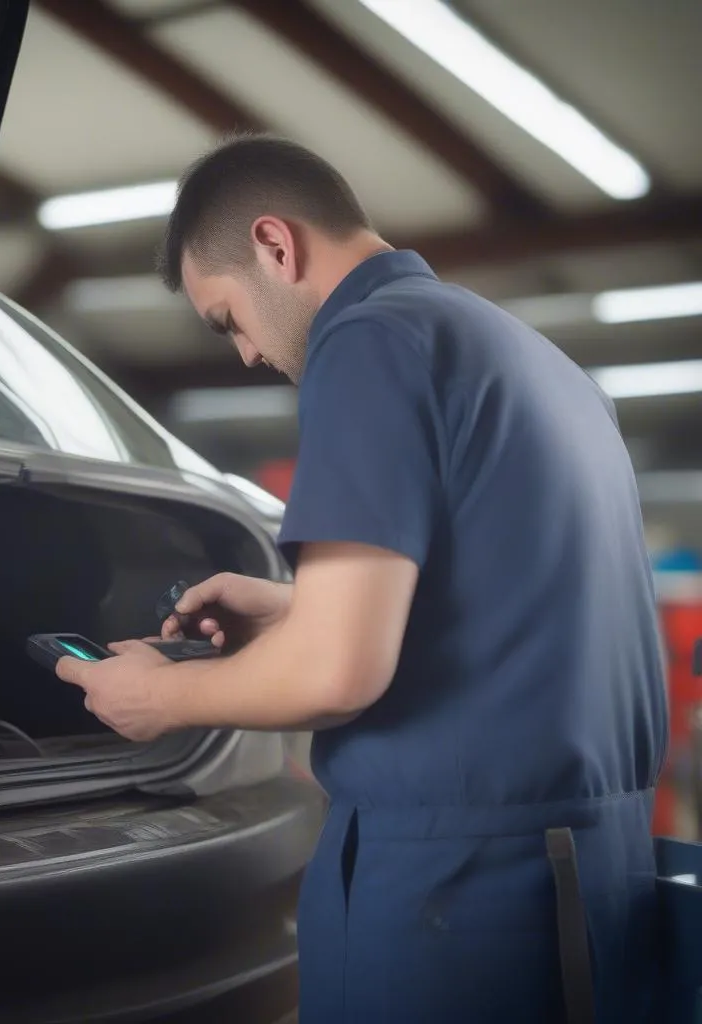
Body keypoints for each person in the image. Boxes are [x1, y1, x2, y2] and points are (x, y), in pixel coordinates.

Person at [55, 135, 668, 1023]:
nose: (246, 355)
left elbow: (337, 673)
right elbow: (528, 610)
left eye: (228, 317)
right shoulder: (538, 363)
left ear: (276, 245)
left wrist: (164, 700)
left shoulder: (371, 341)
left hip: (453, 893)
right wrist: (304, 611)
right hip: (597, 879)